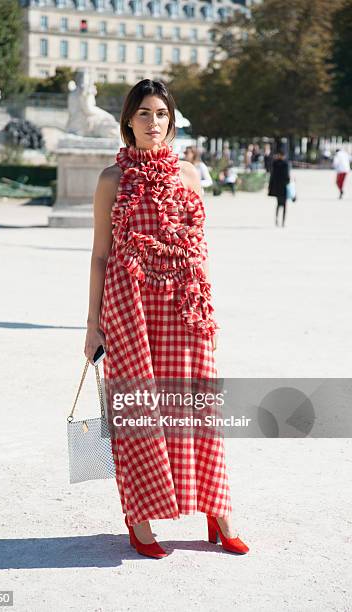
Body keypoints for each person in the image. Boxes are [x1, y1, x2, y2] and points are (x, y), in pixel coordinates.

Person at [84, 79, 249, 559]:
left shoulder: (190, 175)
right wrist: (92, 325)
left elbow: (198, 248)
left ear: (171, 121)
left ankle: (218, 512)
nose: (152, 123)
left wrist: (205, 308)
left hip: (183, 303)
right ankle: (139, 519)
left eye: (160, 114)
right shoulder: (111, 180)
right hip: (130, 304)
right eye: (143, 114)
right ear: (128, 122)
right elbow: (99, 256)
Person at [268, 148, 290, 227]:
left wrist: (270, 186)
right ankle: (283, 221)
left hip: (277, 187)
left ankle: (277, 219)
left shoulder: (275, 163)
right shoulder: (285, 164)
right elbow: (287, 176)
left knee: (278, 204)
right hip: (283, 187)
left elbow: (272, 175)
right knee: (284, 205)